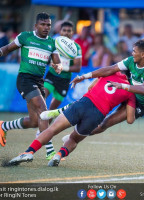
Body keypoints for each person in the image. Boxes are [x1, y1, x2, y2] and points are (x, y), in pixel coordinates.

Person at [8, 71, 136, 166]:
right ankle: (58, 155)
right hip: (97, 116)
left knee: (52, 129)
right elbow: (130, 119)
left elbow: (90, 88)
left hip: (84, 103)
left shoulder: (108, 73)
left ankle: (29, 152)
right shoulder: (131, 92)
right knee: (74, 139)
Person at [43, 38, 144, 136]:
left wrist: (122, 86)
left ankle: (74, 136)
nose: (132, 53)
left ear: (143, 54)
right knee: (91, 100)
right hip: (126, 91)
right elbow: (110, 69)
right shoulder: (131, 60)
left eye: (134, 51)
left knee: (105, 123)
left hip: (140, 102)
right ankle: (61, 115)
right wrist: (85, 76)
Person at [0, 13, 62, 158]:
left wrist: (58, 67)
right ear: (36, 25)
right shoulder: (25, 36)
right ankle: (50, 151)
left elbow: (57, 63)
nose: (46, 27)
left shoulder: (52, 43)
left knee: (34, 121)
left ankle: (4, 126)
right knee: (43, 110)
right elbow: (8, 48)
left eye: (48, 25)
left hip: (39, 81)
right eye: (43, 24)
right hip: (25, 79)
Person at [43, 21, 82, 159]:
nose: (66, 32)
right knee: (43, 99)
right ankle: (42, 131)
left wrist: (62, 67)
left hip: (64, 80)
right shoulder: (54, 43)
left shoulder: (76, 47)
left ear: (72, 33)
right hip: (51, 76)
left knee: (53, 110)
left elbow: (77, 68)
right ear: (60, 31)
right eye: (64, 30)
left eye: (69, 31)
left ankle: (43, 131)